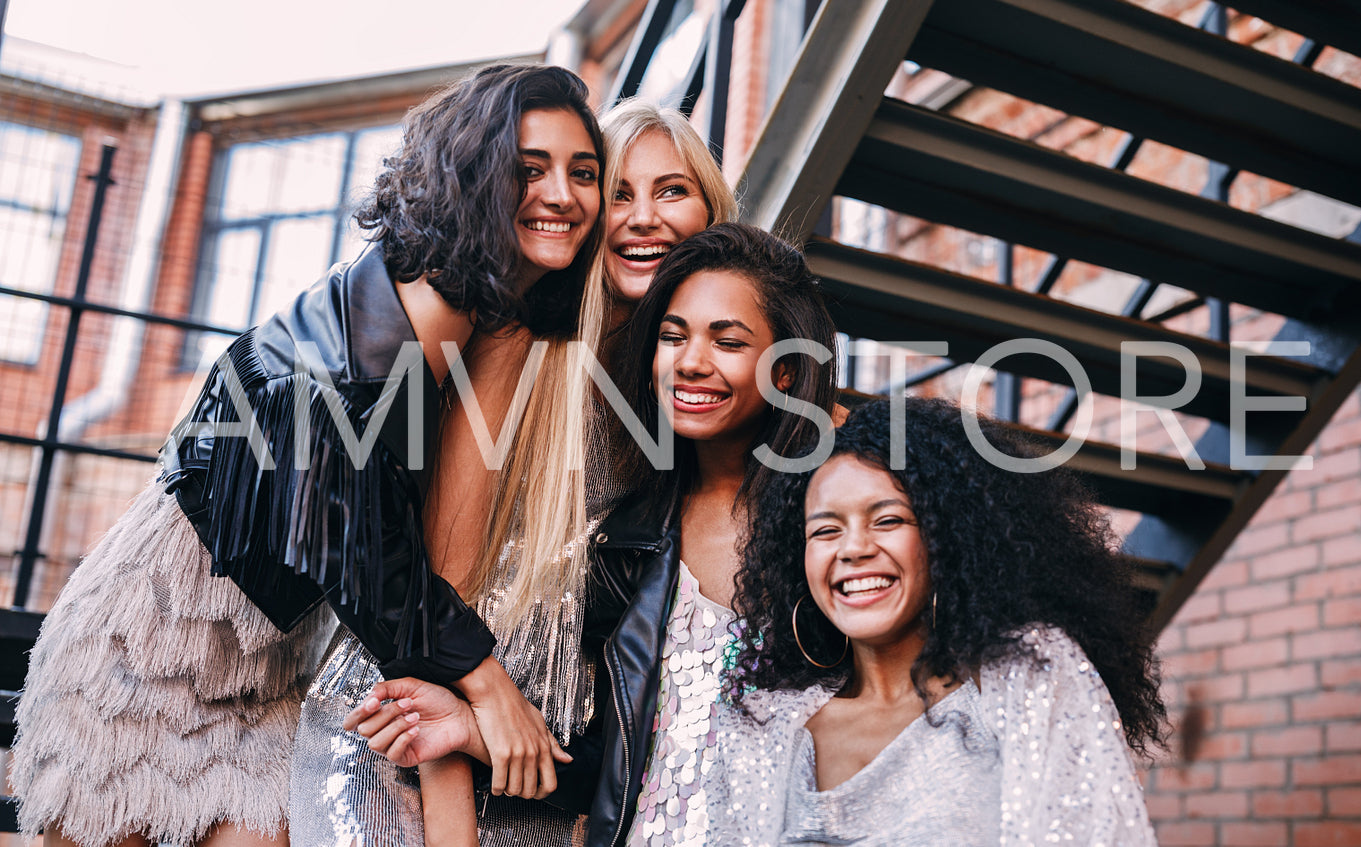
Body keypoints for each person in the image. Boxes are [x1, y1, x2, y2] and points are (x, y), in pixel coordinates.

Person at [9, 62, 602, 847]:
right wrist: (490, 686)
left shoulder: (461, 309)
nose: (562, 194)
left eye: (582, 171)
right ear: (475, 174)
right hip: (146, 658)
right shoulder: (405, 313)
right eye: (530, 169)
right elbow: (354, 542)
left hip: (262, 679)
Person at [296, 98, 738, 846]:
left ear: (710, 213)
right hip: (406, 724)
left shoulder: (687, 392)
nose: (642, 218)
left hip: (535, 752)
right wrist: (451, 823)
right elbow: (443, 589)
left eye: (672, 190)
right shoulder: (520, 345)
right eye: (620, 193)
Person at [346, 222, 840, 847]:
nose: (691, 362)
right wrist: (469, 732)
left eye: (729, 342)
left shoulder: (838, 522)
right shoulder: (630, 542)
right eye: (672, 336)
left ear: (789, 371)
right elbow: (619, 769)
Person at [710, 397, 1166, 846]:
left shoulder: (1028, 677)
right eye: (826, 530)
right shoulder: (763, 729)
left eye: (887, 519)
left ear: (951, 536)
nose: (852, 549)